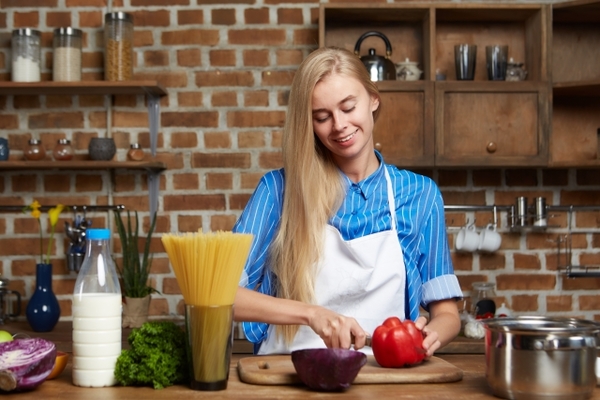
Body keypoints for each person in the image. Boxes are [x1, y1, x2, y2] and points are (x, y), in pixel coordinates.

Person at [232, 46, 462, 356]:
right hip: (289, 376)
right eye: (322, 117)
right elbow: (223, 294)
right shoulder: (278, 190)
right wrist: (311, 314)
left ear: (373, 99)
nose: (339, 125)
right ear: (309, 125)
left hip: (383, 378)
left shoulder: (420, 195)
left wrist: (431, 334)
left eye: (348, 106)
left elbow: (447, 314)